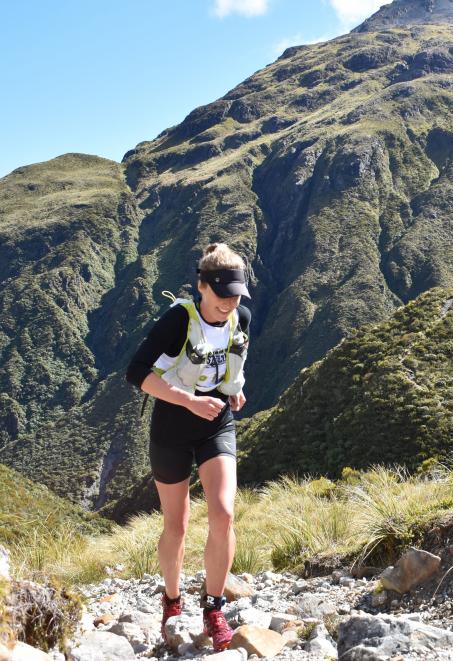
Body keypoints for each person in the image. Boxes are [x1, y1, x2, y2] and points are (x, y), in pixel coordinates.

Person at [125, 243, 251, 652]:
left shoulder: (240, 316)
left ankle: (213, 608)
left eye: (236, 295)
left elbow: (231, 359)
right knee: (176, 524)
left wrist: (236, 389)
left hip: (216, 422)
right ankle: (172, 599)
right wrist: (189, 400)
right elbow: (137, 372)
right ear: (202, 286)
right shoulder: (179, 320)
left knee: (224, 512)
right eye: (222, 295)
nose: (229, 304)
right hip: (173, 424)